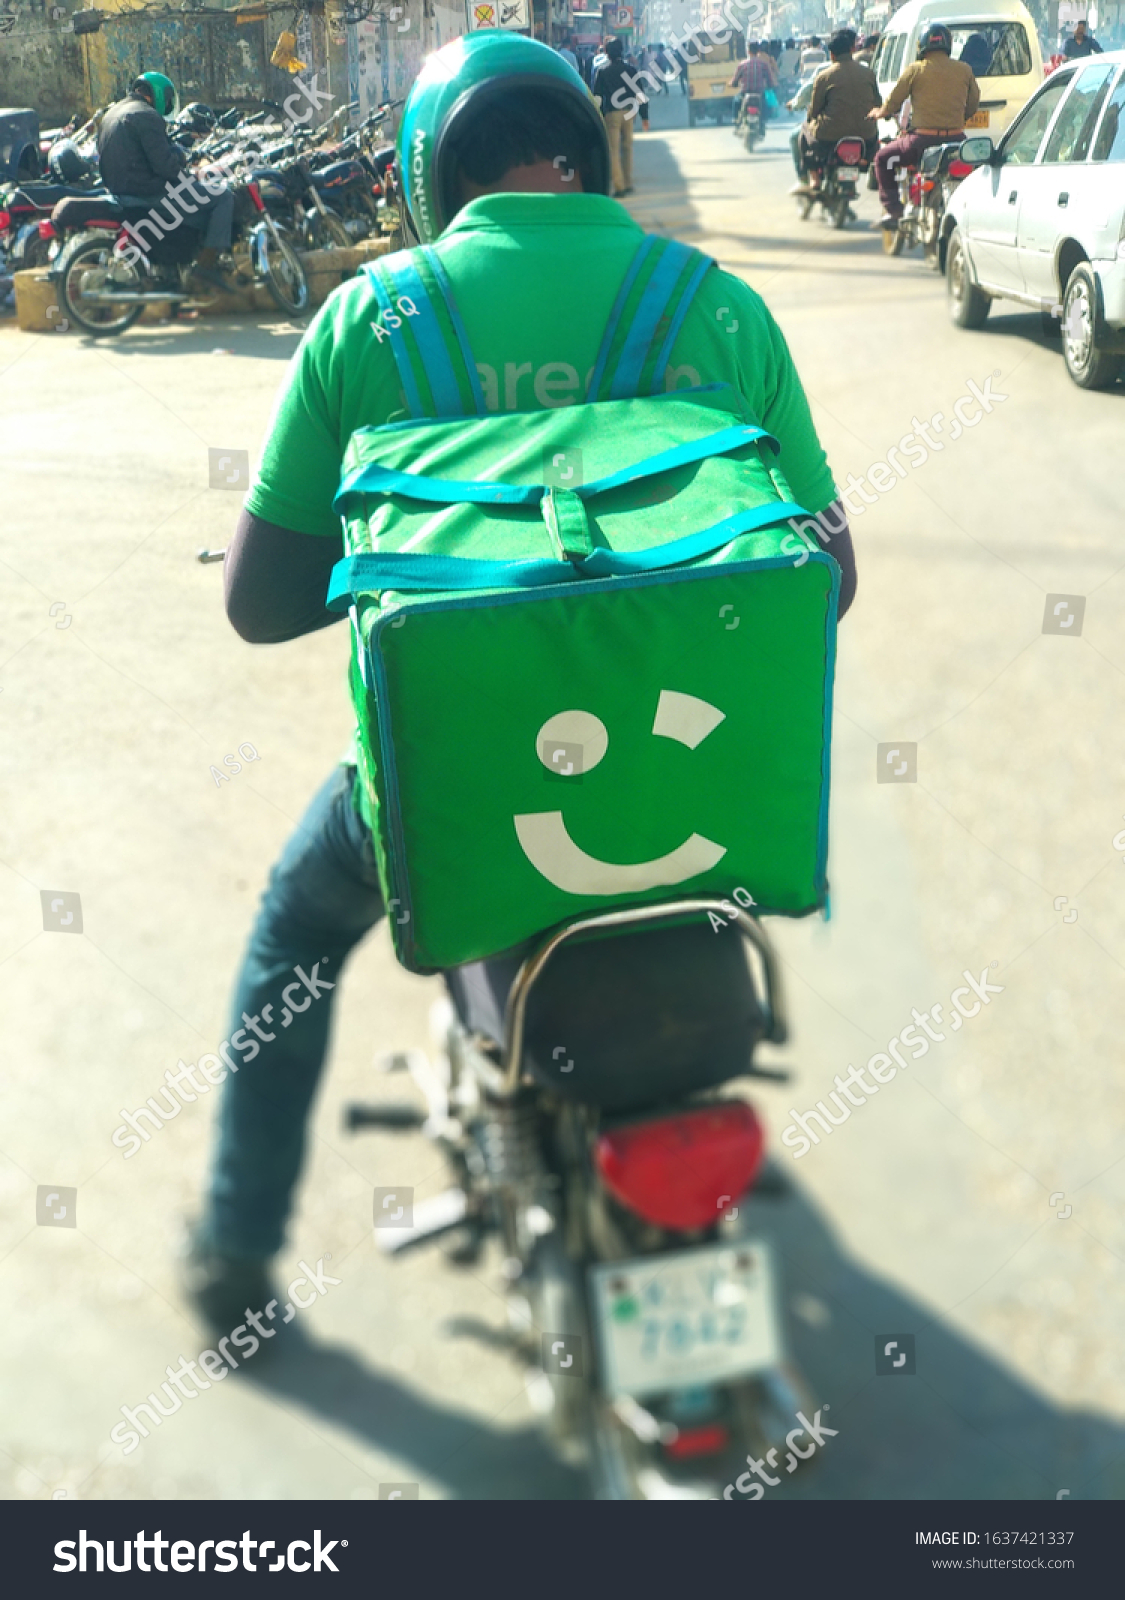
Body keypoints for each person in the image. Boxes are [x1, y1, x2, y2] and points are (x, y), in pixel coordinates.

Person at [182, 29, 857, 1334]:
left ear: (430, 172)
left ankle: (233, 1255)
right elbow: (826, 581)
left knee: (290, 937)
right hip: (693, 798)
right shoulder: (713, 306)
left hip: (457, 805)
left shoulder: (370, 320)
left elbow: (261, 607)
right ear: (586, 148)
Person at [96, 71, 237, 293]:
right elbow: (165, 166)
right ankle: (206, 266)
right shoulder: (146, 115)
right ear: (160, 94)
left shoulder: (111, 113)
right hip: (148, 191)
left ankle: (173, 267)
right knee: (223, 196)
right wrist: (188, 174)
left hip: (119, 189)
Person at [873, 22, 979, 227]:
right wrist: (959, 120)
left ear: (922, 45)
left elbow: (893, 102)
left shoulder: (915, 70)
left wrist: (880, 112)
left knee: (882, 158)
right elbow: (973, 104)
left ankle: (894, 210)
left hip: (920, 143)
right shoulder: (964, 70)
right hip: (957, 142)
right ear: (947, 44)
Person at [791, 28, 879, 191]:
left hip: (829, 136)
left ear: (831, 54)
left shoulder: (824, 76)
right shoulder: (869, 73)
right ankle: (864, 160)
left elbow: (814, 112)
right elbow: (878, 103)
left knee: (804, 131)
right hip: (866, 136)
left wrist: (811, 118)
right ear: (852, 50)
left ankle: (814, 179)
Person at [592, 36, 636, 195]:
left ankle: (619, 186)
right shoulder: (630, 70)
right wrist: (643, 116)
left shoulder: (602, 71)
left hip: (612, 114)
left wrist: (596, 115)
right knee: (628, 148)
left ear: (607, 53)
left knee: (613, 150)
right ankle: (628, 182)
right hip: (629, 113)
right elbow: (639, 93)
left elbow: (597, 97)